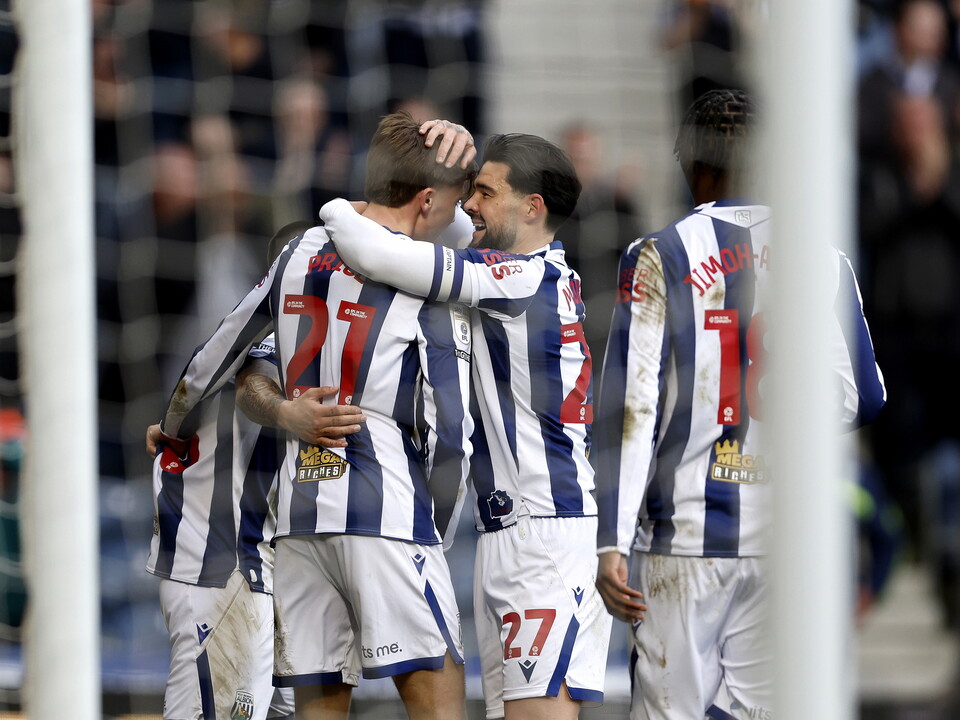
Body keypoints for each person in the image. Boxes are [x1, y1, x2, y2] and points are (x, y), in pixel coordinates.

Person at [151, 112, 476, 720]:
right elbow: (450, 425)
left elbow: (223, 349)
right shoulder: (426, 275)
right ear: (429, 200)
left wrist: (175, 423)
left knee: (319, 705)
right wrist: (438, 526)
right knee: (441, 694)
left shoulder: (300, 248)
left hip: (299, 519)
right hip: (388, 511)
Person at [592, 89, 887, 719]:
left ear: (691, 162)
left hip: (685, 539)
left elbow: (631, 407)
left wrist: (610, 539)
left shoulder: (660, 254)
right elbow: (862, 395)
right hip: (784, 537)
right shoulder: (822, 256)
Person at [319, 130, 613, 720]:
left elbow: (380, 249)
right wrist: (454, 142)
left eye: (485, 192)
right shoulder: (511, 269)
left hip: (544, 537)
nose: (471, 205)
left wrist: (333, 208)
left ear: (533, 208)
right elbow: (427, 222)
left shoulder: (521, 278)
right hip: (504, 536)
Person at [144, 222, 320, 720]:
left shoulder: (297, 346)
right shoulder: (265, 346)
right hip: (223, 572)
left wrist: (169, 423)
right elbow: (218, 382)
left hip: (264, 577)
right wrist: (171, 422)